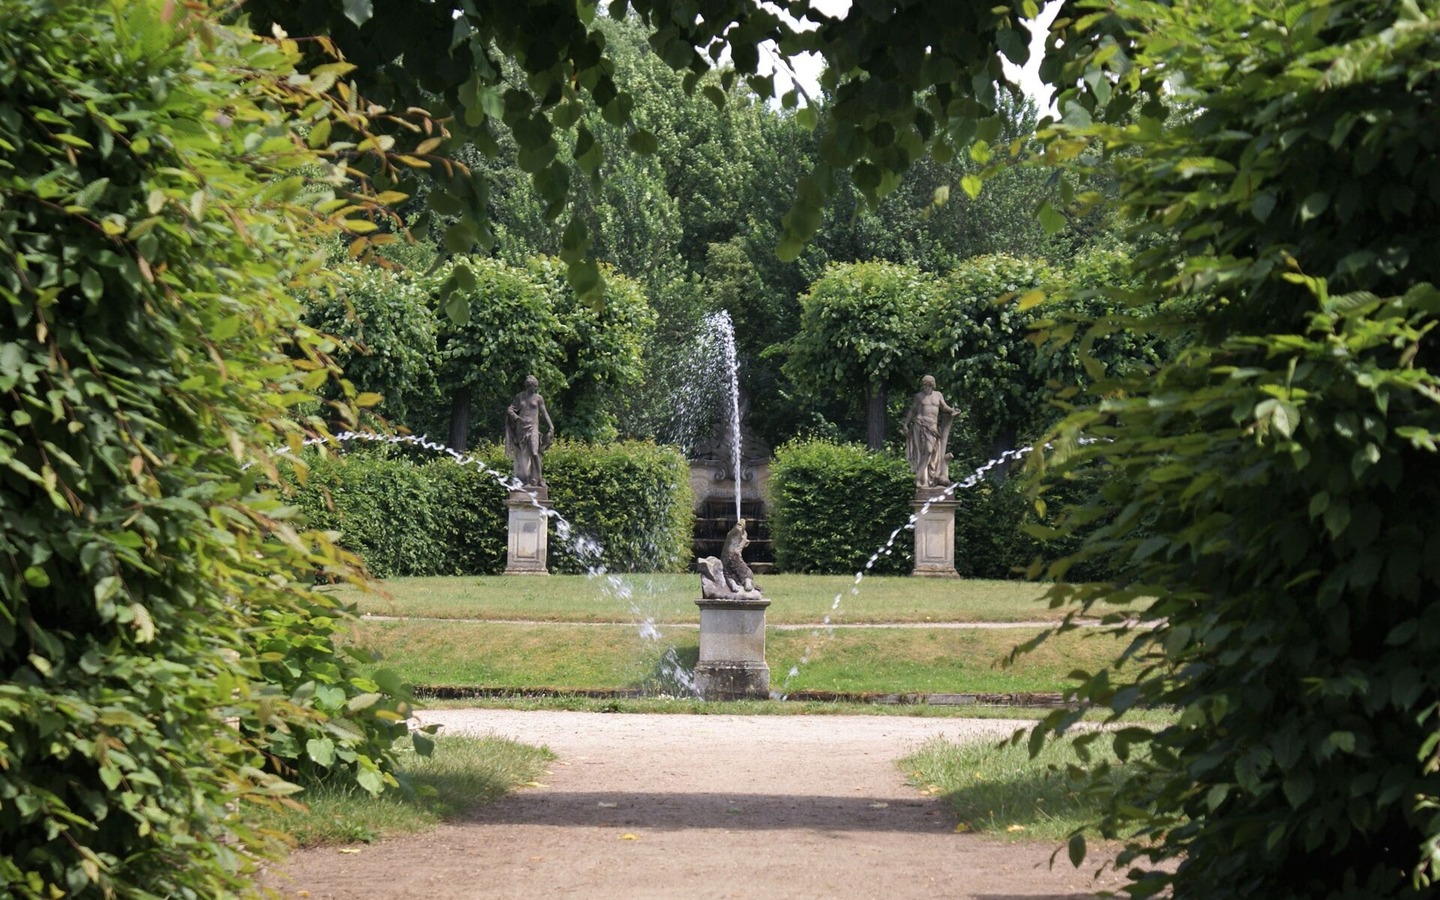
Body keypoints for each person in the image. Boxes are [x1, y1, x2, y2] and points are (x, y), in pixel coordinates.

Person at [900, 375, 957, 488]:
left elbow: (944, 407)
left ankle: (925, 479)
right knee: (926, 451)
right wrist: (905, 424)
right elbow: (912, 410)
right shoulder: (919, 397)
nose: (924, 387)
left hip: (933, 428)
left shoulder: (938, 395)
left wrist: (953, 410)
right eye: (923, 385)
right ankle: (920, 479)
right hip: (920, 425)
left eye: (927, 385)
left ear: (932, 385)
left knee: (930, 453)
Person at [505, 374, 554, 488]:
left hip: (533, 427)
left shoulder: (538, 398)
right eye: (534, 386)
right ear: (528, 386)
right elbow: (510, 409)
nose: (535, 388)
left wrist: (551, 427)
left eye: (536, 386)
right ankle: (526, 480)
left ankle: (539, 479)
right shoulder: (520, 397)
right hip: (521, 428)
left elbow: (544, 413)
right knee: (524, 455)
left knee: (535, 452)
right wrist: (516, 417)